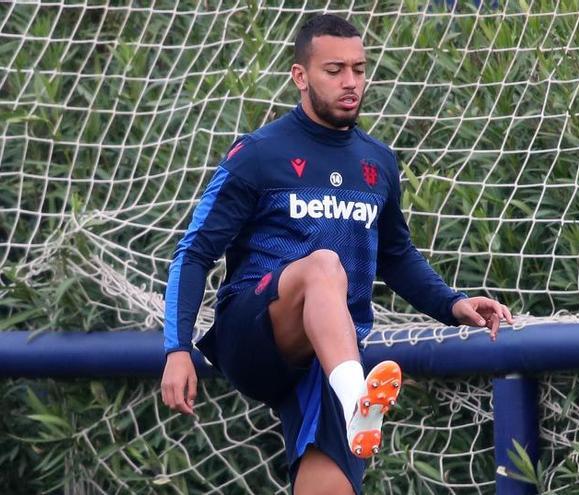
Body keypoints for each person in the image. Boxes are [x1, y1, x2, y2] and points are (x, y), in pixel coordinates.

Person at [159, 14, 513, 495]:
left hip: (330, 352)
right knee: (325, 264)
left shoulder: (378, 161)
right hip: (255, 331)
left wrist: (452, 303)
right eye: (334, 70)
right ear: (300, 76)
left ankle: (352, 403)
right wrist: (177, 348)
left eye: (359, 69)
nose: (351, 82)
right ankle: (356, 400)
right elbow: (194, 252)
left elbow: (396, 254)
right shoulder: (259, 154)